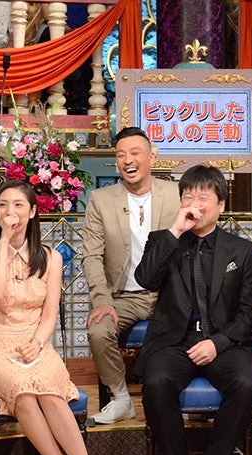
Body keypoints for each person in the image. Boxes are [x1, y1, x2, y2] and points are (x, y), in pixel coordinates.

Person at [0, 180, 117, 455]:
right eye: (3, 205)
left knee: (49, 390)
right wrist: (3, 243)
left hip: (35, 344)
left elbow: (49, 314)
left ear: (33, 212)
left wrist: (37, 343)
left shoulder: (50, 258)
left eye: (18, 205)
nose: (9, 212)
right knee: (22, 390)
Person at [132, 165, 252, 455]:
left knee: (247, 384)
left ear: (221, 204)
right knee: (157, 383)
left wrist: (217, 343)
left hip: (225, 341)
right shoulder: (163, 240)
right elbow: (144, 279)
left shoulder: (241, 250)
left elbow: (250, 312)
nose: (194, 204)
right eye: (188, 196)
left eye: (203, 197)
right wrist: (176, 230)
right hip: (175, 340)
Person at [82, 126, 180, 425]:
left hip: (168, 294)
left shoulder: (175, 194)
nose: (128, 160)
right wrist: (102, 299)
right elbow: (91, 255)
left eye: (135, 153)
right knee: (98, 330)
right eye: (120, 155)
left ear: (152, 157)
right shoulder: (101, 200)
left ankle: (181, 397)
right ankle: (121, 397)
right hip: (123, 296)